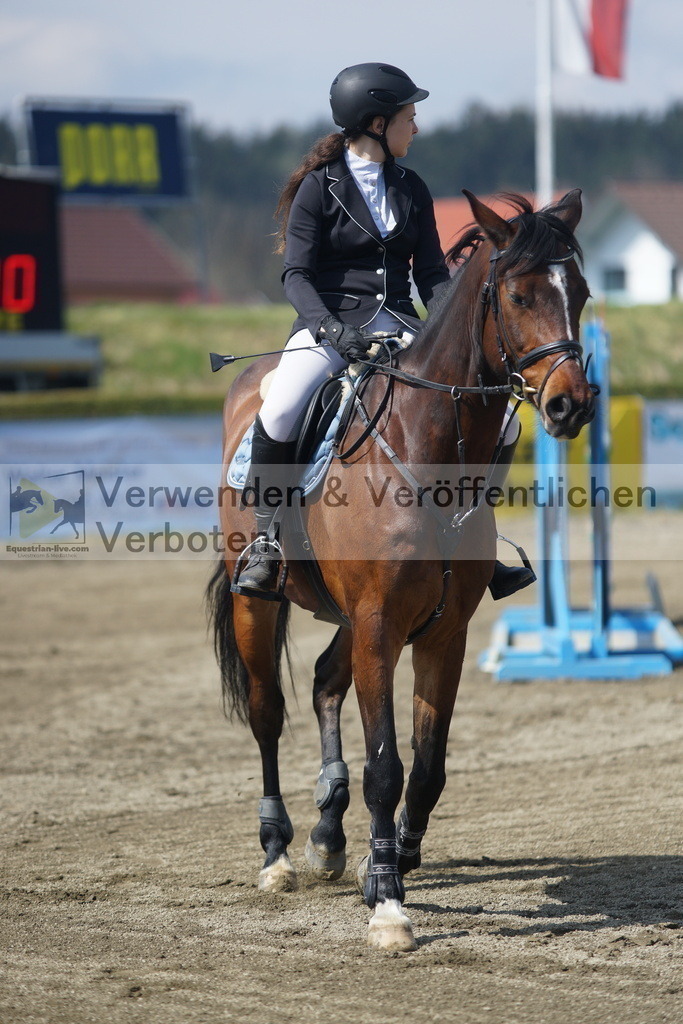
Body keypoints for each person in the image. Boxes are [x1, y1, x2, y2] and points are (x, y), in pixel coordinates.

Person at [232, 62, 534, 602]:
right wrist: (328, 328)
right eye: (408, 117)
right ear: (377, 123)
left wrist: (452, 330)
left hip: (401, 327)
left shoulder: (411, 187)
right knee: (278, 408)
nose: (415, 127)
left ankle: (473, 536)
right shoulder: (317, 190)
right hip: (330, 328)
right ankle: (266, 540)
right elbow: (296, 274)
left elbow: (432, 276)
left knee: (505, 420)